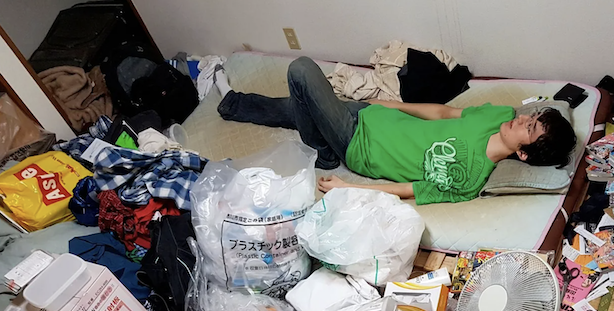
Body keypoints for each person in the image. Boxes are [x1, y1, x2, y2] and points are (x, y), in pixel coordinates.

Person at [213, 57, 576, 204]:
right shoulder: (498, 114)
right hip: (371, 115)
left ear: (523, 153)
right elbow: (443, 112)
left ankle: (322, 151)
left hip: (357, 145)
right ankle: (232, 103)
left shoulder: (469, 179)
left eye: (529, 128)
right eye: (530, 117)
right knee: (299, 108)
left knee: (302, 71)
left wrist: (348, 188)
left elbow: (408, 190)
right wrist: (391, 105)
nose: (522, 119)